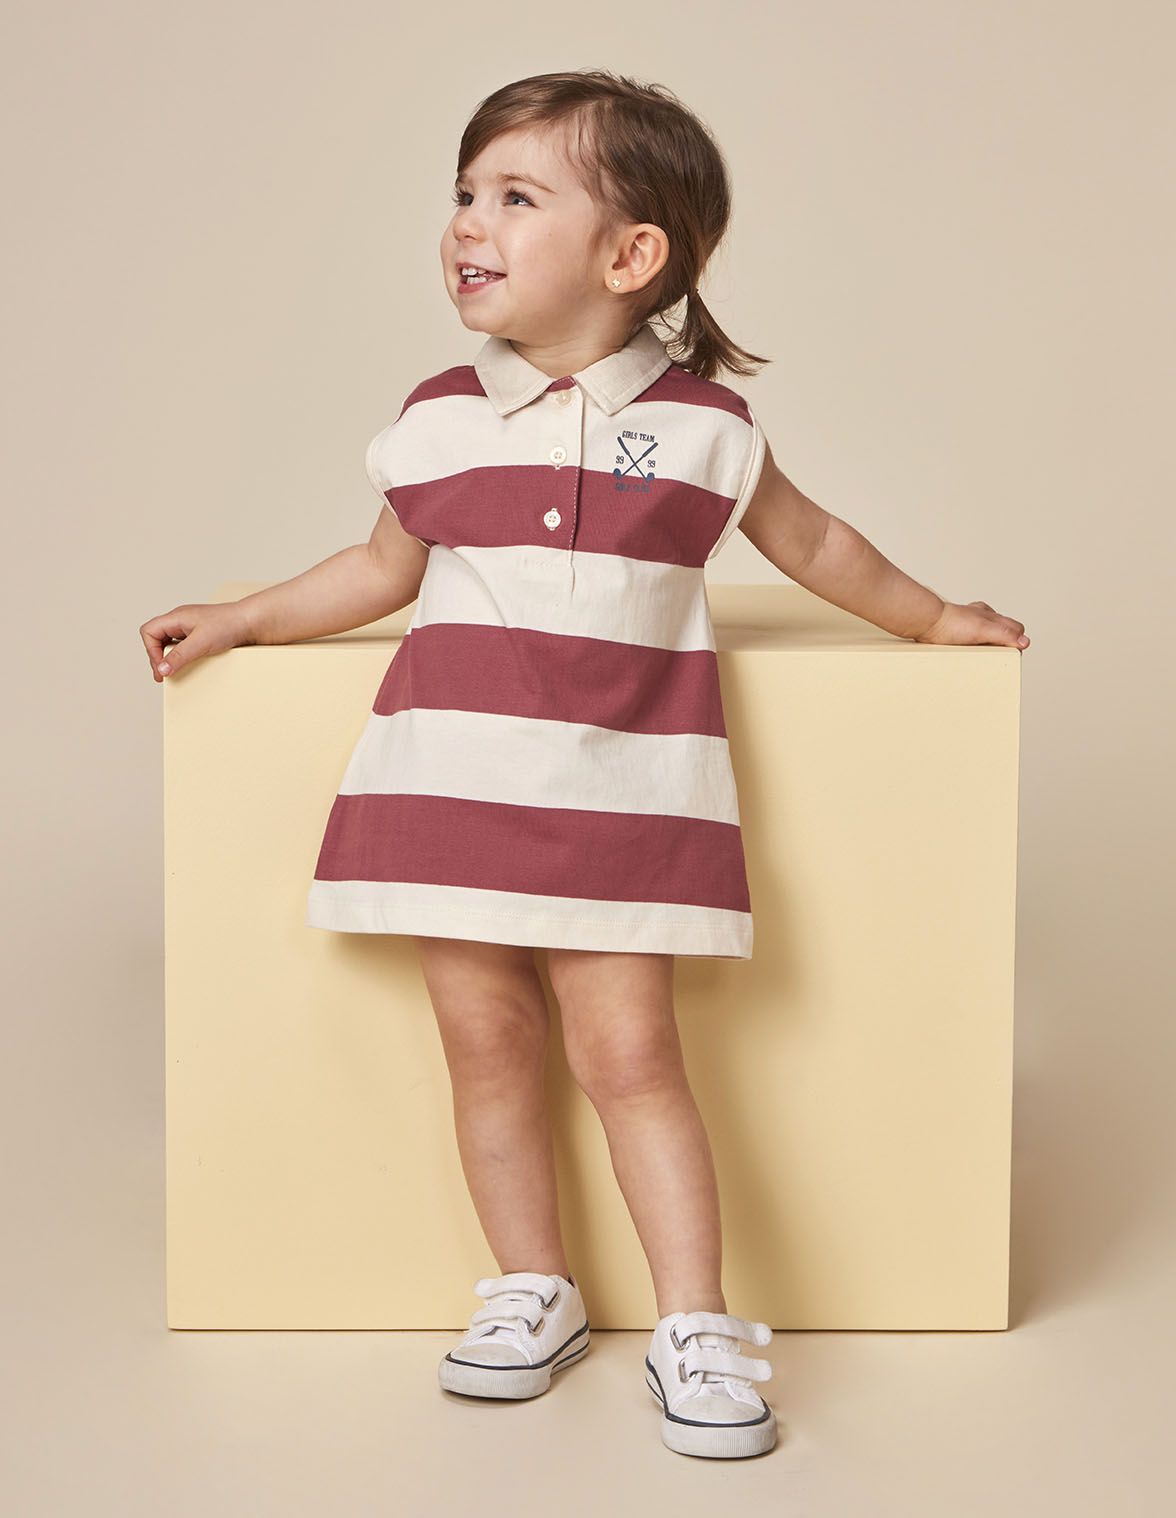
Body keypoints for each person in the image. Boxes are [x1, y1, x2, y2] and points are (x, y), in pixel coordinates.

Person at [139, 69, 1030, 1460]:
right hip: (449, 792)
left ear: (630, 256)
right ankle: (529, 1289)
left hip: (623, 802)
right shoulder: (436, 416)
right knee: (485, 1047)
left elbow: (815, 543)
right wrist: (244, 614)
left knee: (631, 1059)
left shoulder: (706, 429)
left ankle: (695, 1321)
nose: (467, 223)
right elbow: (376, 570)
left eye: (514, 196)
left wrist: (931, 618)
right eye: (463, 194)